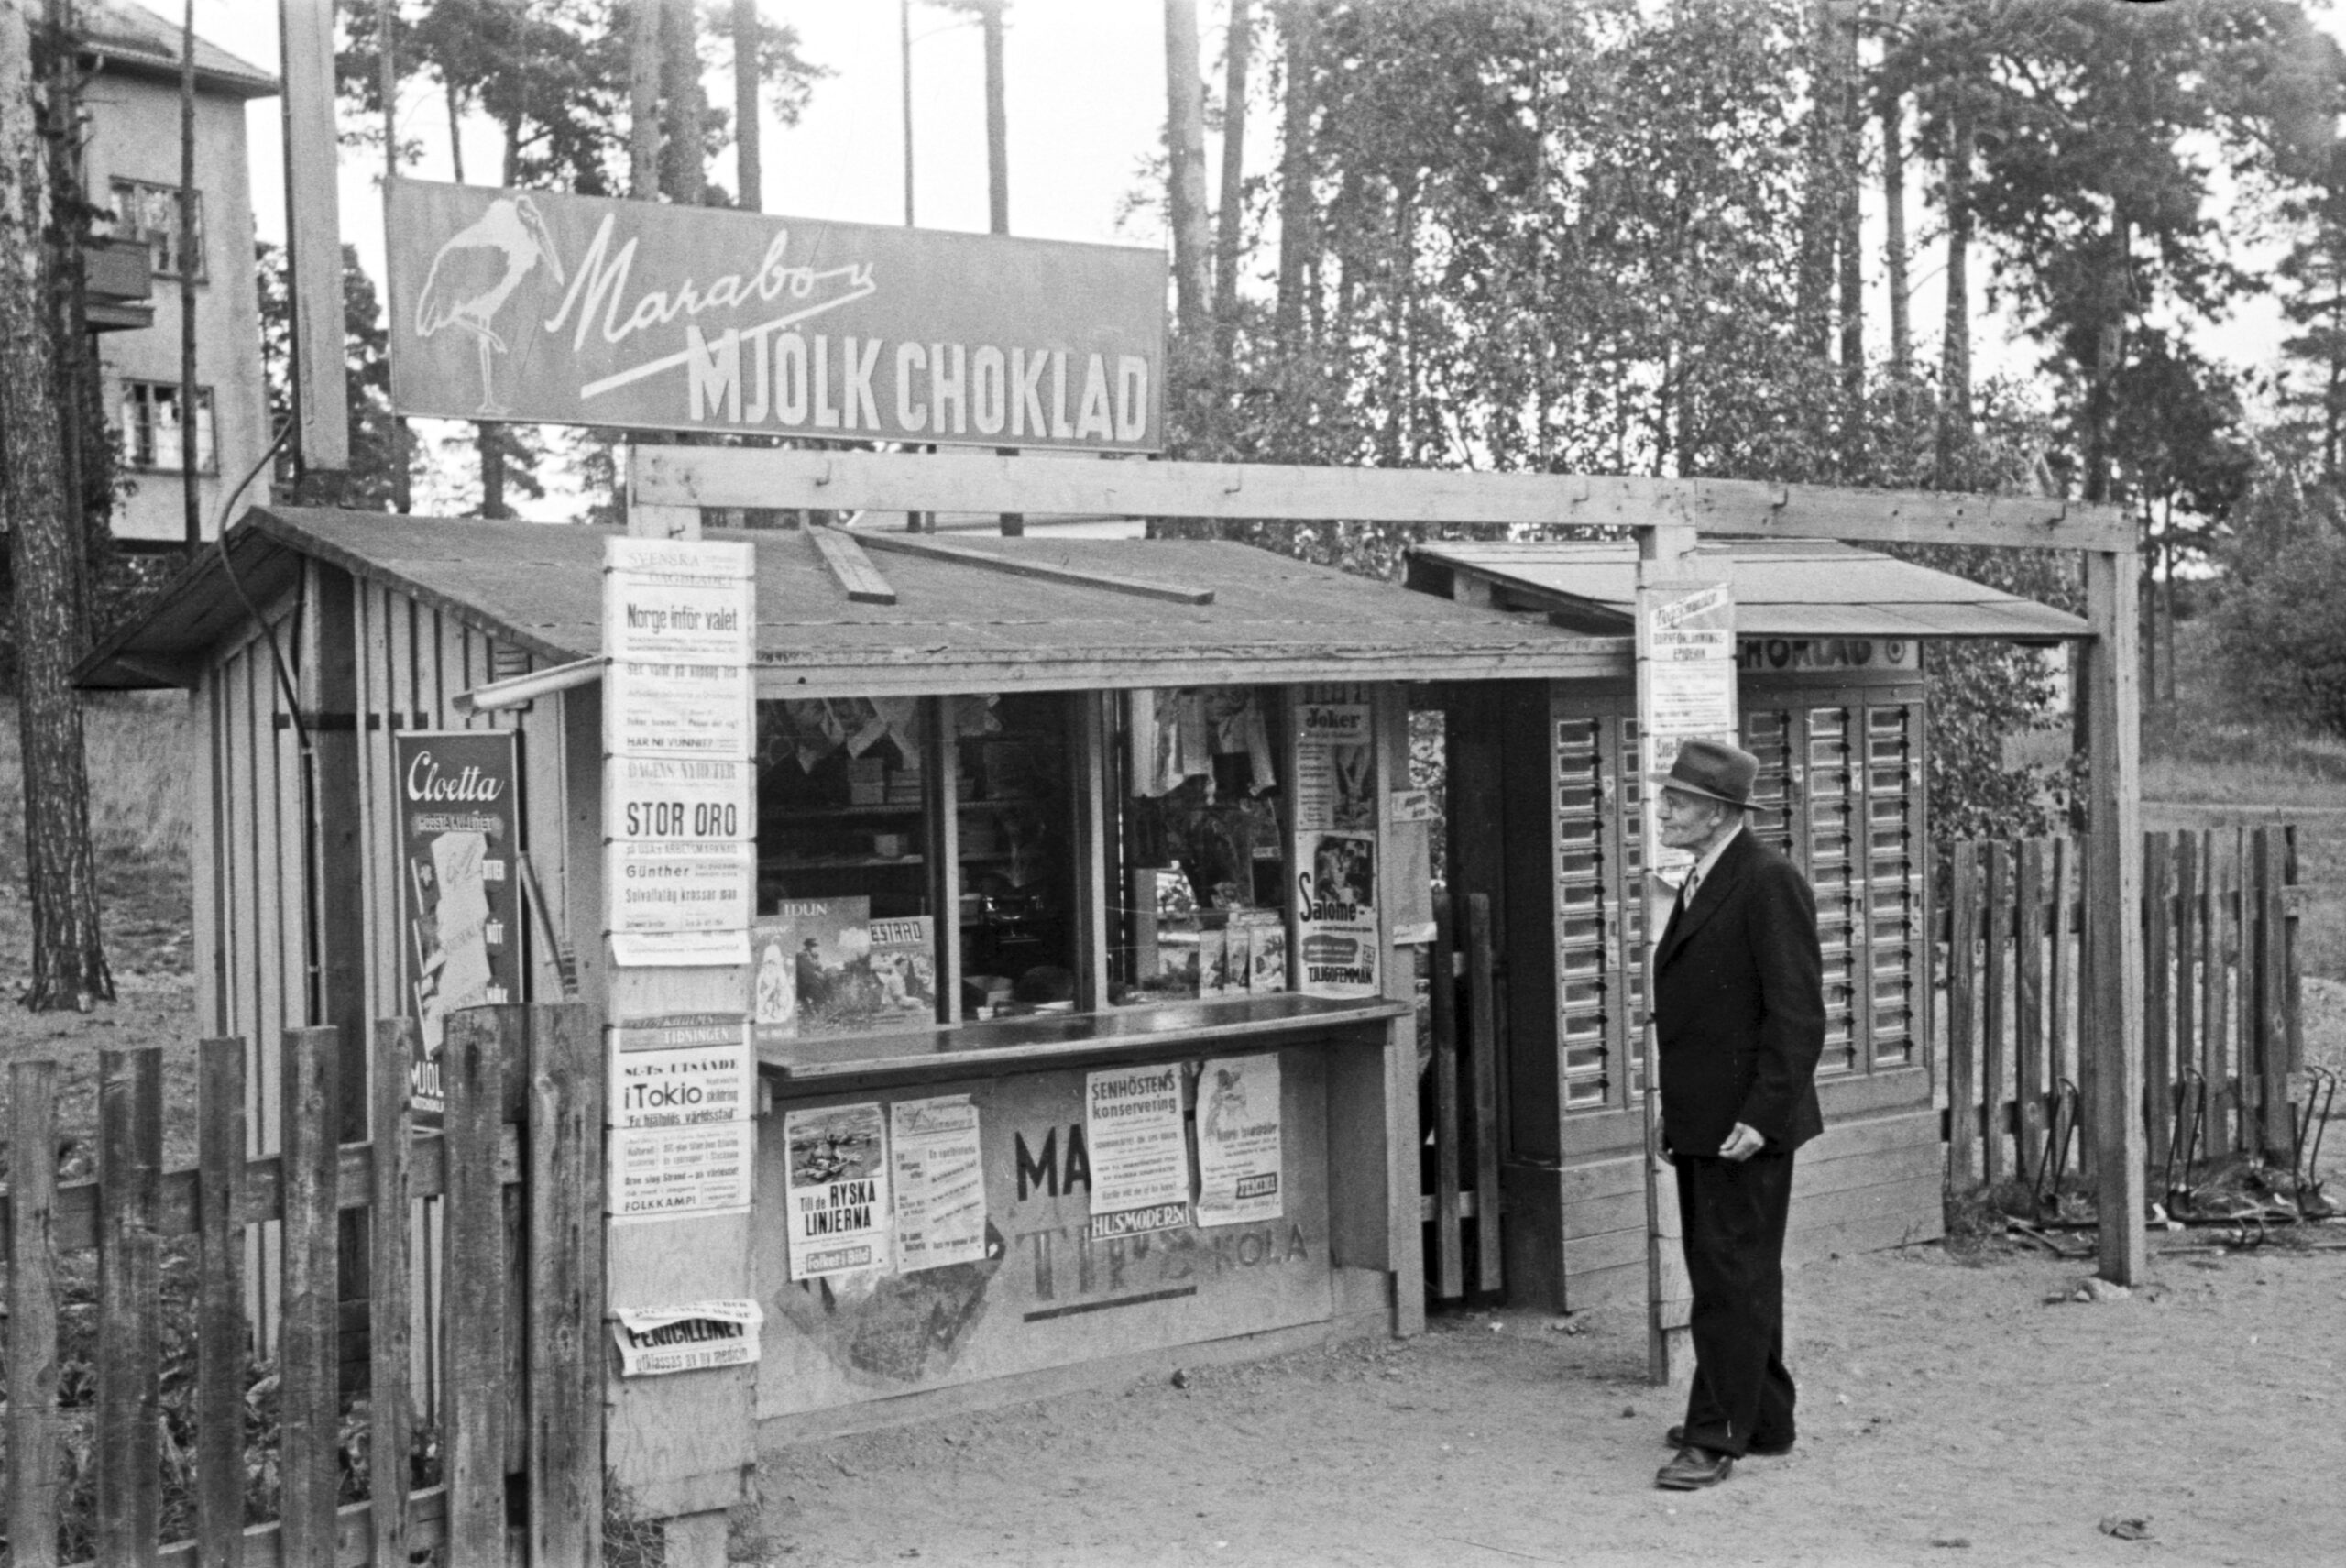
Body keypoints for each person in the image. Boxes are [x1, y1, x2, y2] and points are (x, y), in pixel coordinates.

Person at [1648, 738, 1825, 1492]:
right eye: (1667, 798)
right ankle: (1767, 1418)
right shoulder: (1704, 878)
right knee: (1737, 1267)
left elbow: (1798, 1013)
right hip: (1705, 1114)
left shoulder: (1767, 881)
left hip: (1743, 1122)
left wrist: (1763, 1112)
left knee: (1728, 1274)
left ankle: (1714, 1433)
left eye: (1679, 802)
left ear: (1718, 812)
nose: (1665, 811)